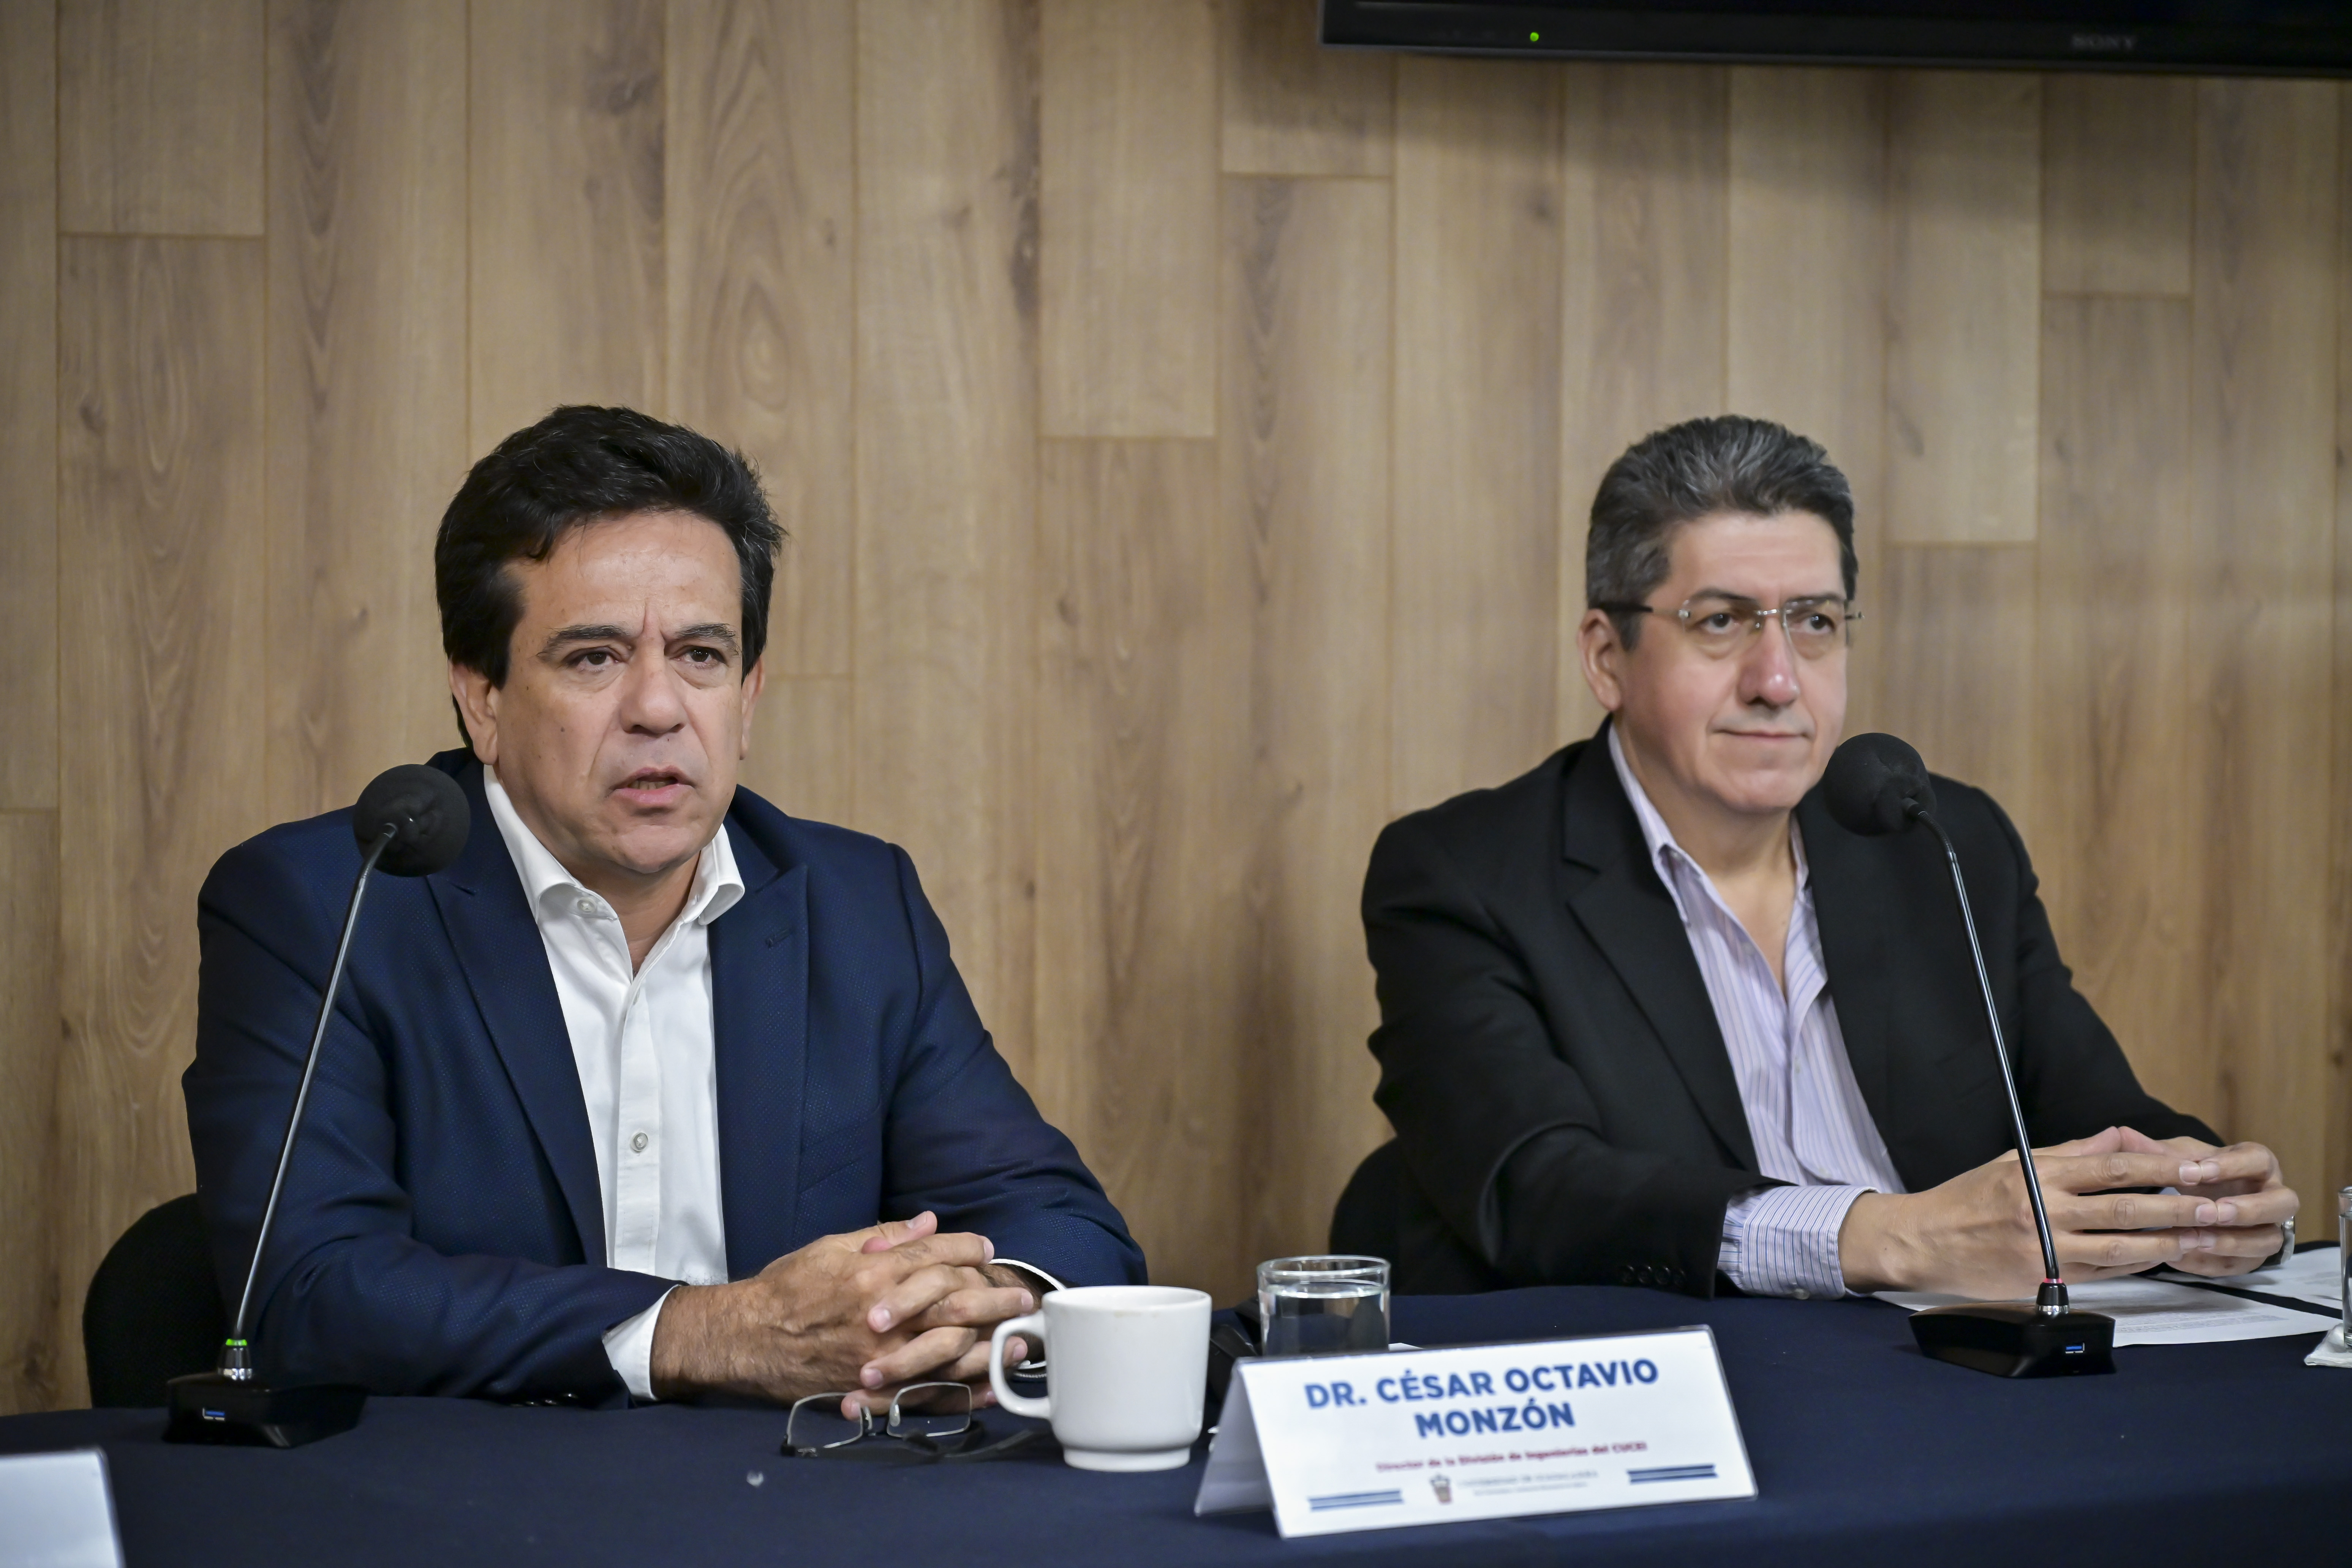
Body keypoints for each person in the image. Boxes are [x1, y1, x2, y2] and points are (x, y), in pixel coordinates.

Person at [186, 406, 1142, 1407]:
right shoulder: (325, 908)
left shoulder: (858, 908)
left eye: (701, 656)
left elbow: (1065, 1230)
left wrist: (967, 1310)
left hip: (801, 1488)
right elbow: (308, 1295)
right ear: (483, 699)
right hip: (470, 1491)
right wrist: (710, 1333)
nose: (658, 708)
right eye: (594, 658)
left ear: (749, 695)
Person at [1337, 415, 2297, 1301]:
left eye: (1815, 622)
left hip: (1957, 1373)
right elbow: (1537, 1189)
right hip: (1687, 1381)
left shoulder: (1940, 842)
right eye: (1721, 622)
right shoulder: (1464, 877)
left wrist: (2201, 1198)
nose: (1778, 680)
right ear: (1607, 657)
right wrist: (1887, 1236)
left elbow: (2096, 1118)